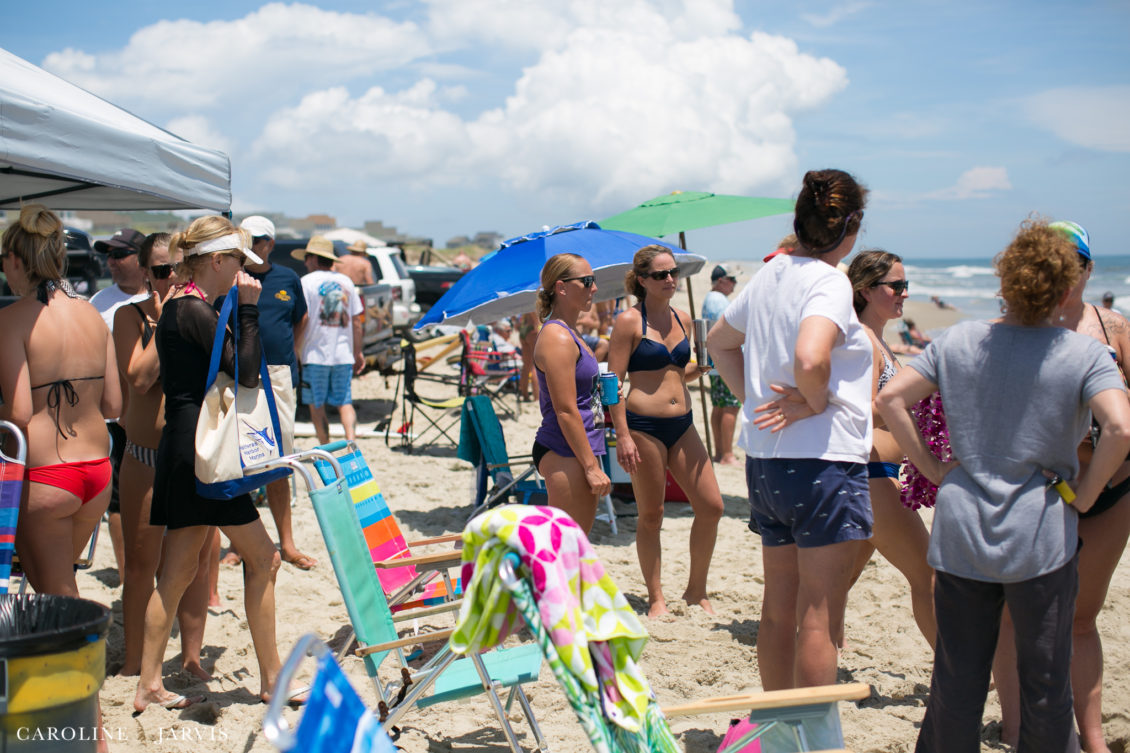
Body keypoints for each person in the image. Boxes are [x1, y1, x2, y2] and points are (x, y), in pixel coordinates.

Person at [877, 218, 1130, 752]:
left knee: (957, 681)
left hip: (963, 528)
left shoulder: (960, 339)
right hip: (1039, 534)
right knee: (1045, 685)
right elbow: (1120, 427)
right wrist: (1084, 495)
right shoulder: (1081, 353)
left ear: (1006, 281)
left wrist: (931, 466)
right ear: (1066, 286)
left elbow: (891, 400)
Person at [708, 168, 872, 689]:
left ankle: (781, 730)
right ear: (851, 227)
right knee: (819, 617)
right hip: (822, 462)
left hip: (768, 463)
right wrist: (814, 400)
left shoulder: (771, 274)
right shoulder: (828, 280)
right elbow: (810, 355)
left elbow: (719, 341)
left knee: (778, 611)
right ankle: (815, 735)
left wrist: (751, 395)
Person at [133, 216, 303, 711]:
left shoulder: (183, 306)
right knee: (264, 557)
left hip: (187, 449)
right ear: (217, 260)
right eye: (238, 264)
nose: (244, 274)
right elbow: (247, 370)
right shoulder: (193, 310)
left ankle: (148, 683)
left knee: (179, 571)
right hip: (205, 455)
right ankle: (272, 679)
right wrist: (248, 310)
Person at [993, 221, 1130, 752]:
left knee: (1080, 618)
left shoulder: (1112, 326)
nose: (1063, 269)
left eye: (1073, 258)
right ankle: (1014, 729)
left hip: (1110, 491)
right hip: (1034, 495)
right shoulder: (1012, 329)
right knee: (1013, 615)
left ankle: (1092, 739)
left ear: (1088, 268)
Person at [0, 203, 122, 597]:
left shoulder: (11, 320)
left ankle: (89, 656)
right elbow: (113, 406)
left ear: (17, 260)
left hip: (48, 474)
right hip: (97, 473)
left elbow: (18, 412)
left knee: (60, 599)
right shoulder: (91, 315)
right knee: (55, 589)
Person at [113, 232, 213, 680]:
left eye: (177, 268)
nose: (169, 278)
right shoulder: (129, 317)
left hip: (193, 458)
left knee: (196, 564)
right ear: (145, 273)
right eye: (159, 271)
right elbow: (138, 377)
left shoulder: (199, 311)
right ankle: (135, 660)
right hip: (145, 458)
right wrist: (164, 321)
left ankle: (191, 657)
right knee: (141, 565)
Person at [607, 245, 724, 618]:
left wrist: (700, 369)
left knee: (712, 506)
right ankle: (656, 597)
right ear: (642, 280)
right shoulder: (629, 322)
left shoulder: (684, 318)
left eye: (673, 272)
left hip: (683, 423)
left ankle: (696, 590)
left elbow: (676, 373)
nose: (670, 279)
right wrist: (622, 435)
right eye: (660, 275)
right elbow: (613, 383)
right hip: (643, 426)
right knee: (652, 514)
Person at [845, 250, 936, 648]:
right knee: (928, 574)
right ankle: (952, 669)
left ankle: (812, 656)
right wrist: (900, 410)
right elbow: (859, 412)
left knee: (834, 585)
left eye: (906, 286)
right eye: (896, 286)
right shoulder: (863, 339)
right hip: (870, 476)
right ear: (865, 289)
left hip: (875, 476)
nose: (903, 293)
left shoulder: (877, 338)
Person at [232, 215, 314, 571]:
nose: (251, 244)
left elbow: (302, 319)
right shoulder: (233, 279)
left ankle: (288, 542)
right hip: (239, 374)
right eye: (246, 239)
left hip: (279, 373)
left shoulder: (287, 278)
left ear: (270, 243)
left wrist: (291, 355)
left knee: (281, 458)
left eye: (258, 239)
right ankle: (241, 542)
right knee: (241, 458)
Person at [531, 253, 611, 533]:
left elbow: (581, 396)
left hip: (581, 447)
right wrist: (590, 467)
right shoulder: (557, 336)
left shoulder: (570, 333)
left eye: (594, 280)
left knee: (576, 548)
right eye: (587, 281)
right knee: (563, 550)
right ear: (561, 288)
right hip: (564, 449)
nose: (594, 288)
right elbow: (565, 409)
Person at [91, 226, 149, 583]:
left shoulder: (160, 296)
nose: (110, 262)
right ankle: (129, 575)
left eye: (118, 254)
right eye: (107, 255)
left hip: (156, 415)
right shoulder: (99, 303)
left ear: (140, 259)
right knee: (118, 500)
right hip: (116, 416)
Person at [293, 236, 365, 445]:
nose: (305, 262)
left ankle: (325, 448)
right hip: (342, 354)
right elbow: (356, 322)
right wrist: (357, 351)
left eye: (307, 258)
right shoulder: (346, 282)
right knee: (345, 401)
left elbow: (303, 319)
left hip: (314, 354)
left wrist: (296, 349)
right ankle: (351, 444)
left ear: (314, 259)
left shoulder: (306, 283)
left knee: (316, 404)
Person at [701, 263, 742, 467]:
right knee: (730, 407)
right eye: (732, 280)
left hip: (713, 362)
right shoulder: (718, 301)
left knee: (719, 406)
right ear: (721, 281)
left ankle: (719, 452)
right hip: (724, 361)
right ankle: (726, 454)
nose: (735, 284)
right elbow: (726, 332)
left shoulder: (711, 299)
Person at [517, 311, 540, 401]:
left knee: (526, 366)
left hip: (524, 328)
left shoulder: (523, 298)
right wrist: (537, 327)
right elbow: (534, 315)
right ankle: (537, 397)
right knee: (534, 365)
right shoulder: (533, 299)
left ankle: (525, 395)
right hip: (532, 329)